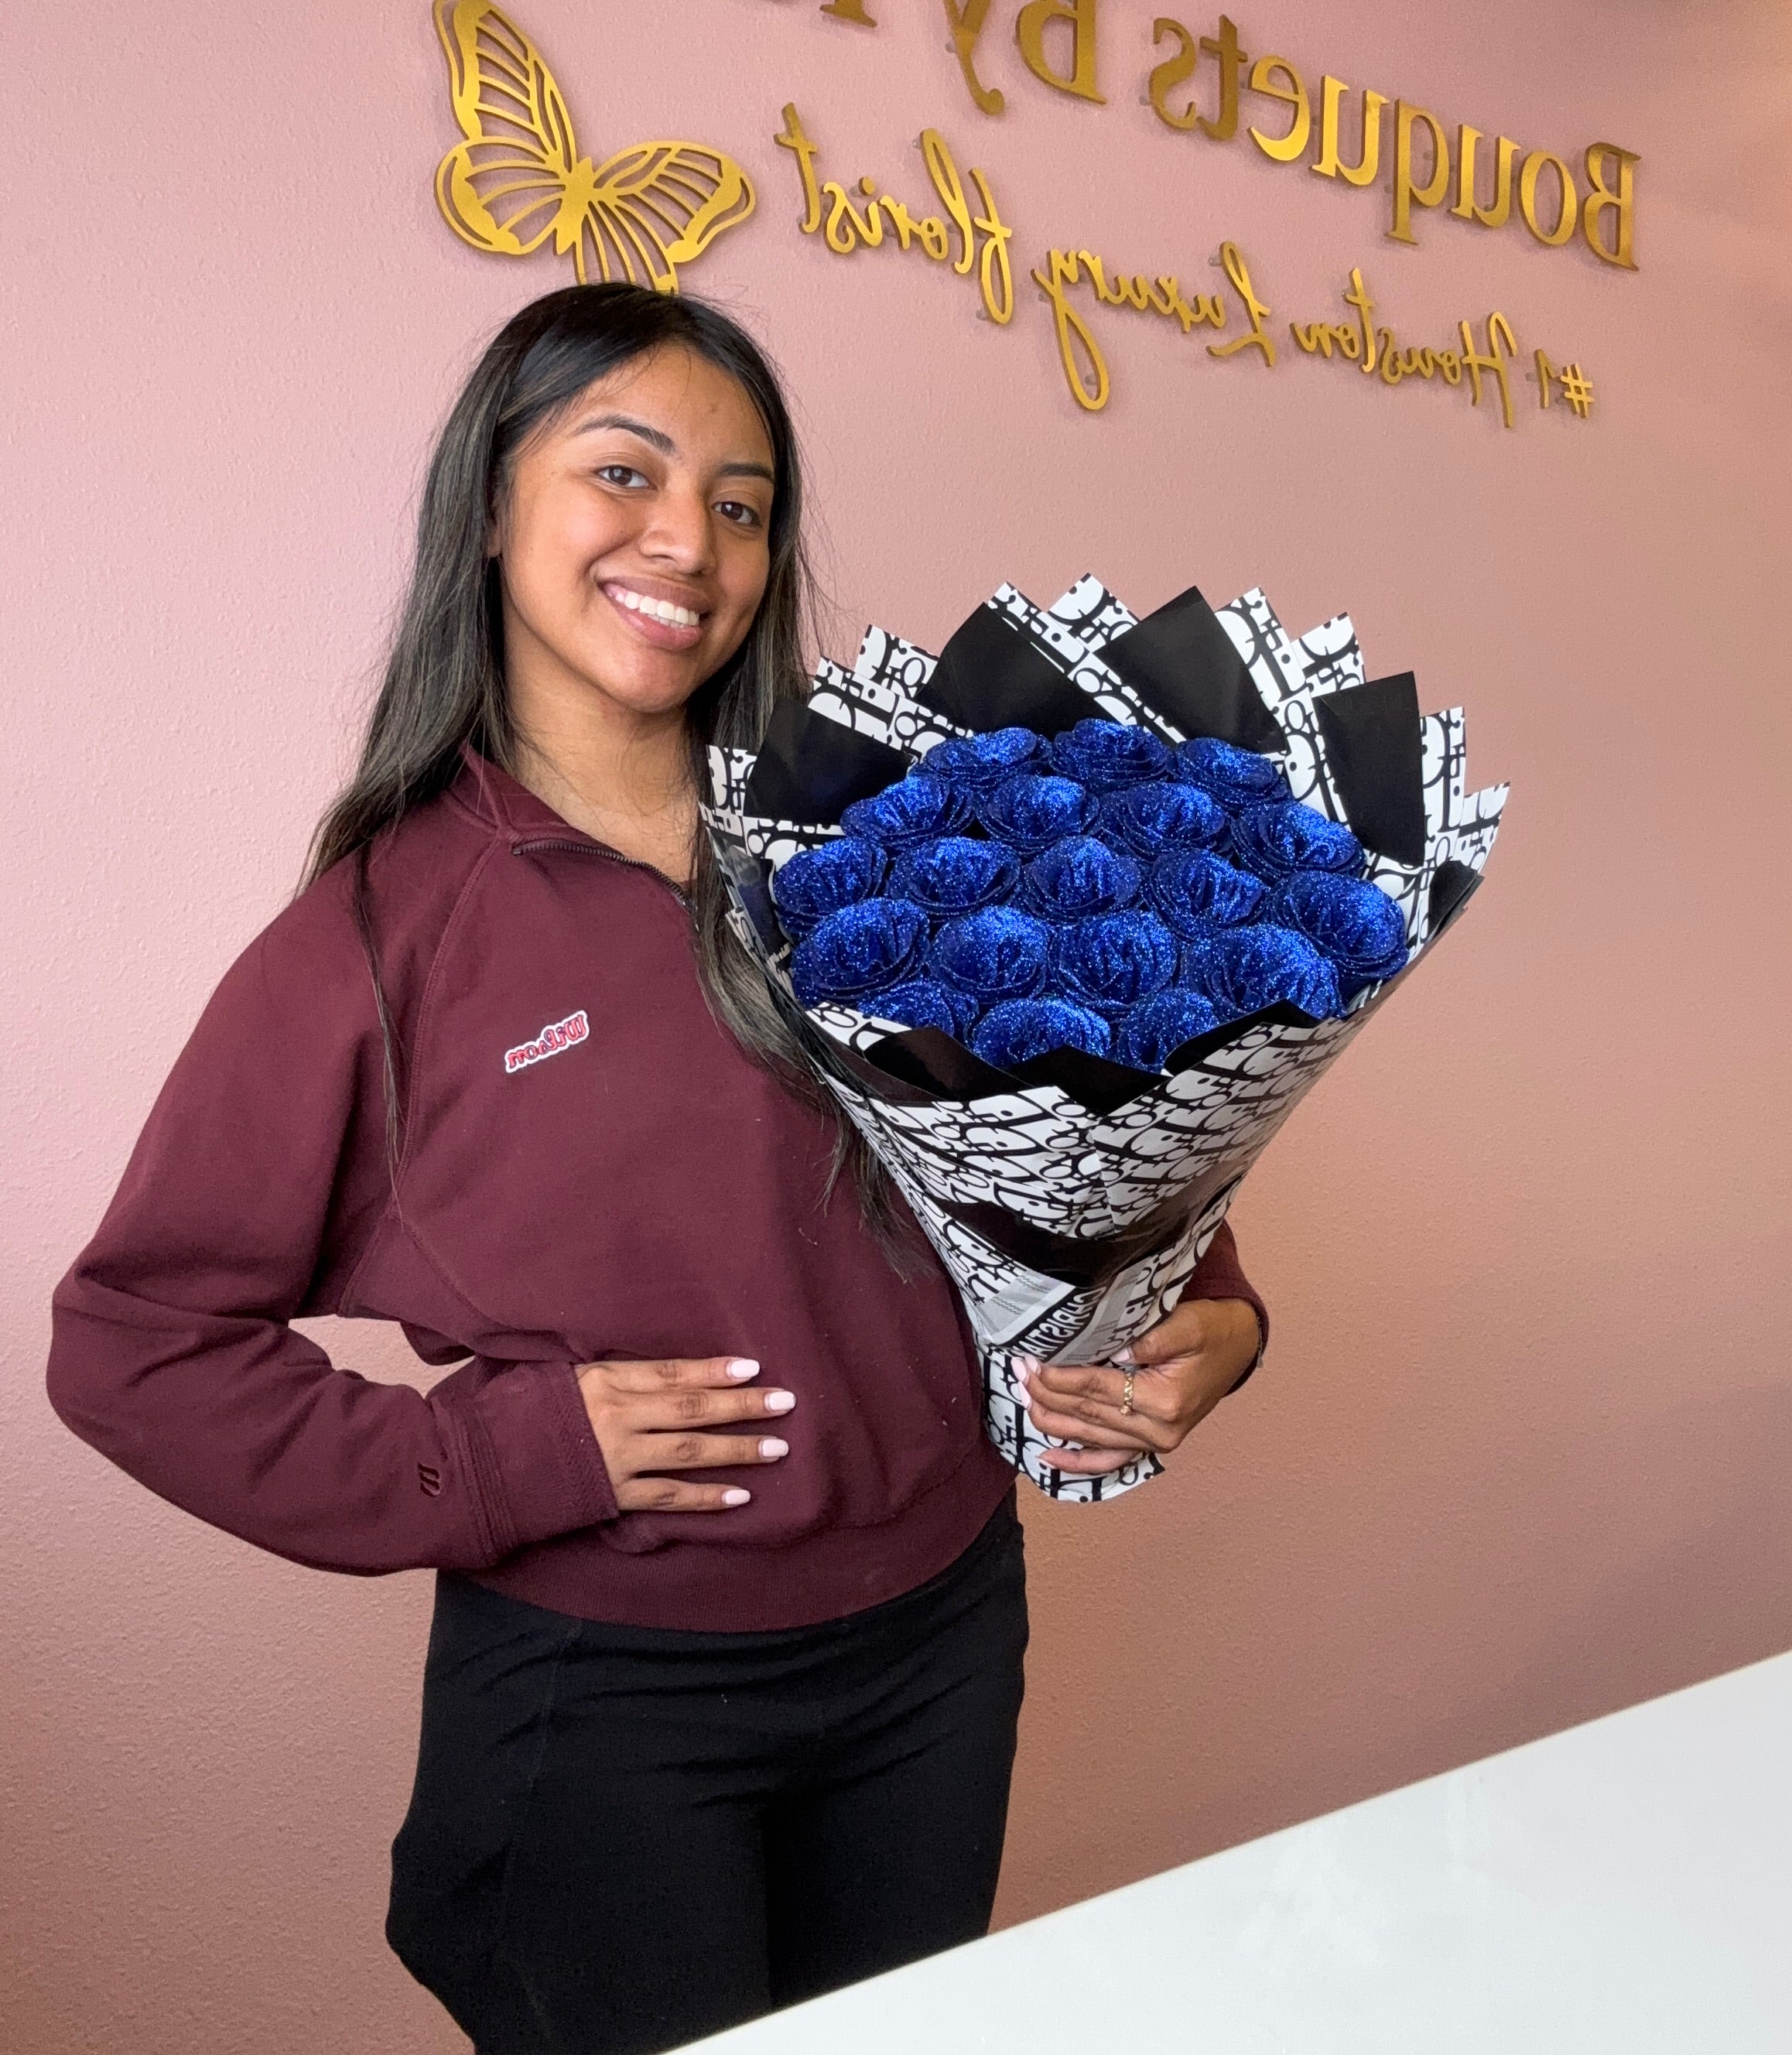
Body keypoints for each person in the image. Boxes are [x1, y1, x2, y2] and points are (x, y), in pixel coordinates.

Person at [46, 286, 1267, 2055]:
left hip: (942, 1632)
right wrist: (503, 1454)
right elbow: (133, 1341)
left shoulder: (894, 843)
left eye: (743, 502)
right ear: (491, 503)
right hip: (615, 1701)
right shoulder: (377, 939)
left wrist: (1205, 1310)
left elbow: (1080, 1122)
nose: (689, 539)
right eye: (624, 470)